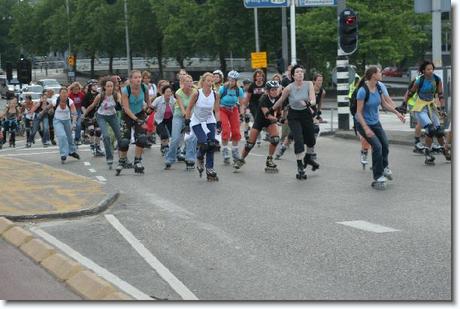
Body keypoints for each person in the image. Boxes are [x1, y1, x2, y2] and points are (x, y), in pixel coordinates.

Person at [354, 66, 405, 189]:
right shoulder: (362, 91)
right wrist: (366, 128)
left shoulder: (378, 87)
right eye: (379, 72)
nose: (381, 73)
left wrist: (397, 113)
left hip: (375, 123)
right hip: (363, 124)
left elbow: (384, 104)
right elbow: (358, 113)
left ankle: (384, 167)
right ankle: (378, 176)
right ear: (373, 75)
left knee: (385, 145)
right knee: (377, 147)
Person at [271, 65, 319, 180]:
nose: (300, 74)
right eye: (297, 72)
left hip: (306, 114)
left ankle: (308, 158)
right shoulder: (289, 87)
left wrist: (308, 103)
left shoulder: (309, 84)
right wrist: (270, 110)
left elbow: (313, 100)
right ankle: (300, 166)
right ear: (293, 75)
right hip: (294, 115)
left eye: (301, 72)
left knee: (311, 140)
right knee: (298, 139)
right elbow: (281, 100)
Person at [407, 60, 451, 165]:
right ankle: (427, 154)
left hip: (431, 106)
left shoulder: (437, 79)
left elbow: (440, 95)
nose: (431, 71)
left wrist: (442, 108)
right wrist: (404, 105)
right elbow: (409, 93)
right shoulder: (419, 81)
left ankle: (445, 151)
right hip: (419, 107)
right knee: (430, 129)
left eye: (432, 69)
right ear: (423, 70)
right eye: (428, 69)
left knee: (439, 131)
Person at [233, 80, 281, 173]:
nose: (275, 91)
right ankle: (241, 159)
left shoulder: (278, 98)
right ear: (267, 91)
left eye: (276, 89)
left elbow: (279, 111)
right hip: (260, 121)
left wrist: (281, 117)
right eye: (273, 90)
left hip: (270, 122)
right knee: (250, 144)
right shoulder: (263, 99)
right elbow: (267, 115)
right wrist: (277, 119)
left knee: (275, 139)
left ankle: (269, 159)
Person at [184, 72, 221, 181]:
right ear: (203, 82)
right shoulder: (197, 94)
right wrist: (187, 122)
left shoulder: (215, 94)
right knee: (204, 144)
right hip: (197, 121)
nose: (210, 83)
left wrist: (219, 122)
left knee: (212, 144)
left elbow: (217, 110)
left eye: (211, 81)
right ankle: (200, 156)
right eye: (208, 81)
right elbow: (189, 108)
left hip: (209, 120)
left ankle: (210, 168)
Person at [84, 78, 123, 169]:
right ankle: (109, 158)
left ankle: (123, 158)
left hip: (113, 116)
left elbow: (121, 102)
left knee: (119, 137)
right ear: (104, 87)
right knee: (105, 136)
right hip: (101, 116)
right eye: (108, 86)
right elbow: (92, 106)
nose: (110, 88)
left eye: (111, 86)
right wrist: (84, 114)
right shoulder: (100, 96)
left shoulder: (116, 95)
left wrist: (123, 106)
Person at [117, 70, 150, 175]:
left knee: (142, 138)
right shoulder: (125, 90)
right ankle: (122, 160)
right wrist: (136, 120)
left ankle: (137, 161)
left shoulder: (144, 88)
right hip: (127, 115)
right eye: (135, 77)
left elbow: (148, 103)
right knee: (125, 141)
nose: (138, 79)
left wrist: (150, 108)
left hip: (140, 113)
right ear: (131, 79)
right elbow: (126, 108)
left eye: (139, 77)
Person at [164, 74, 197, 170]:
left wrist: (190, 118)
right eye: (187, 81)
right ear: (182, 83)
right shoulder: (178, 92)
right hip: (179, 115)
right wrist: (185, 117)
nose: (189, 83)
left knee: (191, 138)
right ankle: (170, 159)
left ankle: (190, 158)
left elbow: (193, 106)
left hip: (191, 116)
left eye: (191, 81)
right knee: (175, 139)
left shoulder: (195, 92)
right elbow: (182, 108)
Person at [218, 70, 244, 165]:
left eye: (234, 80)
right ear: (228, 79)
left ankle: (235, 151)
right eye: (230, 79)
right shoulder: (222, 89)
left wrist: (242, 114)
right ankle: (225, 150)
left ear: (236, 80)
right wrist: (216, 114)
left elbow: (241, 104)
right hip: (223, 109)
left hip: (233, 110)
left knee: (236, 131)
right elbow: (217, 101)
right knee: (225, 130)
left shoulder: (239, 90)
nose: (232, 81)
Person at [51, 88, 80, 164]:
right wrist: (43, 112)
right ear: (60, 94)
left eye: (65, 93)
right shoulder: (55, 101)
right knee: (62, 136)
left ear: (67, 94)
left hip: (67, 121)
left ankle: (72, 151)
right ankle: (63, 154)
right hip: (57, 121)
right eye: (62, 93)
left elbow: (74, 113)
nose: (64, 94)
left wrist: (73, 123)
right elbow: (49, 108)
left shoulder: (70, 101)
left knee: (69, 137)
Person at [150, 85, 175, 156]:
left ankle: (167, 146)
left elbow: (177, 109)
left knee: (173, 134)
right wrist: (147, 113)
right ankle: (165, 148)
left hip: (170, 118)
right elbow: (151, 108)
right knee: (164, 134)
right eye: (167, 92)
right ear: (163, 93)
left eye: (170, 92)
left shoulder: (173, 100)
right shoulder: (158, 99)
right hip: (159, 119)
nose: (168, 94)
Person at [82, 80, 104, 157]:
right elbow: (83, 106)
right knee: (91, 130)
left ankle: (98, 147)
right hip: (89, 116)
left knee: (98, 131)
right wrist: (85, 115)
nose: (95, 87)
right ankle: (92, 145)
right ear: (90, 87)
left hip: (97, 116)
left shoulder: (99, 95)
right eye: (94, 85)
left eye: (96, 85)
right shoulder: (87, 95)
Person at [244, 69, 266, 146]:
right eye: (258, 76)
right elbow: (248, 97)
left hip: (263, 104)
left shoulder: (265, 85)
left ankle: (263, 133)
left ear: (263, 77)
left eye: (261, 76)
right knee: (257, 119)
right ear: (255, 77)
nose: (259, 77)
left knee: (264, 119)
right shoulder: (252, 86)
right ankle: (258, 137)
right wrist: (245, 107)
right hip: (254, 105)